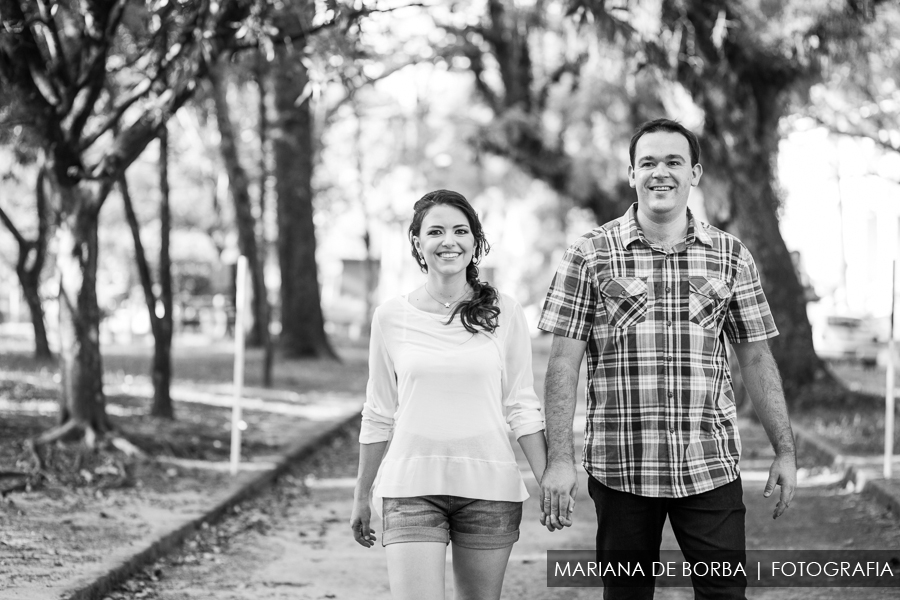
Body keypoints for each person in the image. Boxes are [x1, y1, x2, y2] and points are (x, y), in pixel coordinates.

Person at [537, 118, 797, 599]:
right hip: (622, 469)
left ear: (694, 173)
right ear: (632, 173)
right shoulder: (590, 254)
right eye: (648, 162)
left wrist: (785, 449)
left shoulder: (730, 255)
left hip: (709, 465)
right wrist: (560, 461)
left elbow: (757, 359)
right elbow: (562, 365)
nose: (661, 172)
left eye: (674, 162)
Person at [350, 189, 548, 600]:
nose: (449, 241)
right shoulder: (390, 316)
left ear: (475, 242)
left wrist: (549, 479)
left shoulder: (505, 312)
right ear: (418, 243)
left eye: (460, 230)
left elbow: (522, 405)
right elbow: (378, 412)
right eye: (435, 231)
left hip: (489, 489)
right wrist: (362, 495)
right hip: (410, 487)